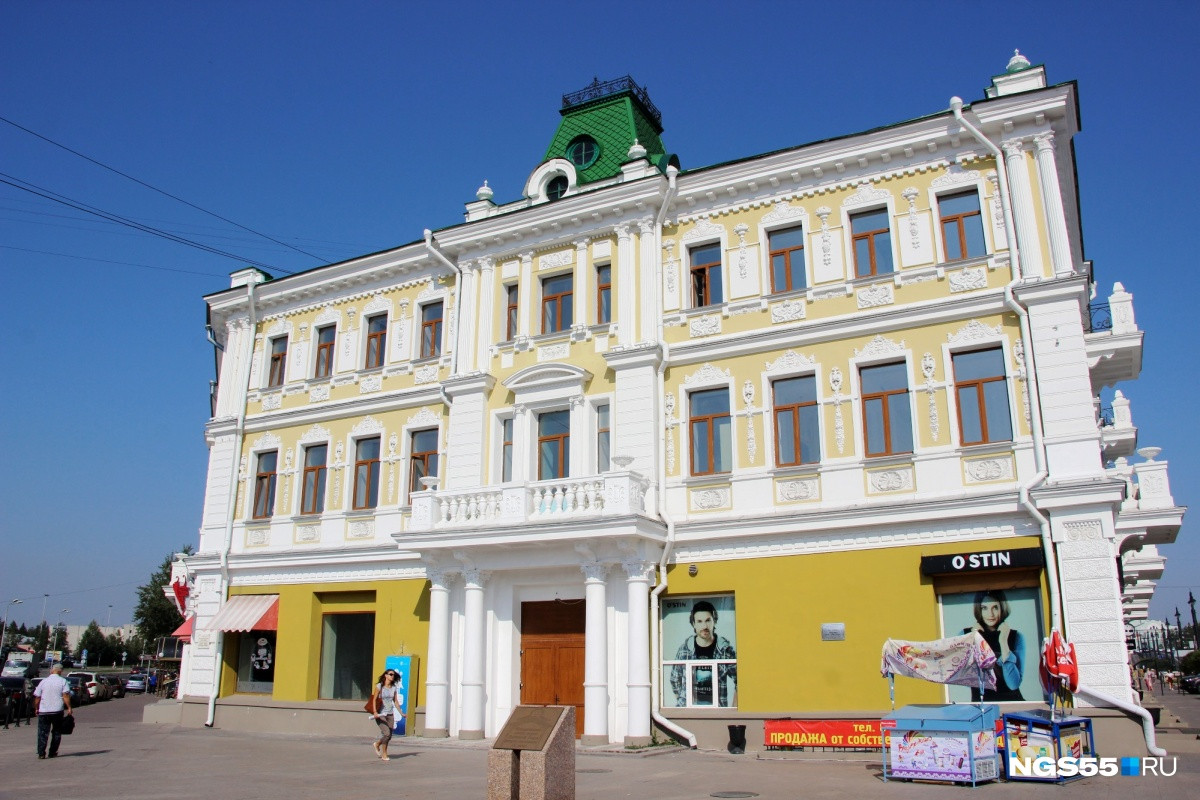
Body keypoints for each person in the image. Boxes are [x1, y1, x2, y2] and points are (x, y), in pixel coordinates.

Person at [670, 600, 737, 707]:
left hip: (716, 713)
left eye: (708, 620)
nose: (704, 626)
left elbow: (740, 680)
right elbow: (674, 680)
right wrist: (684, 703)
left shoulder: (725, 650)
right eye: (699, 621)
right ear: (693, 624)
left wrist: (734, 710)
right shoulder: (684, 650)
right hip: (689, 713)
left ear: (714, 621)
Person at [964, 590, 1025, 701]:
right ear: (979, 610)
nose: (990, 614)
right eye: (984, 608)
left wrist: (1003, 642)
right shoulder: (966, 635)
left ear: (1002, 608)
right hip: (981, 706)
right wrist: (973, 639)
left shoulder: (1016, 637)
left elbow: (1013, 684)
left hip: (1012, 705)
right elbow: (965, 679)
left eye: (995, 608)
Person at [32, 663, 72, 759]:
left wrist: (36, 708)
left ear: (52, 670)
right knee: (57, 731)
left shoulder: (44, 681)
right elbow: (65, 696)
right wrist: (69, 707)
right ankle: (52, 752)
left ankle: (41, 753)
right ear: (60, 671)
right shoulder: (63, 681)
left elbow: (37, 697)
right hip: (57, 710)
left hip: (44, 710)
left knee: (42, 732)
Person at [368, 669, 404, 761]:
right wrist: (375, 712)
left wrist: (401, 713)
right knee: (387, 733)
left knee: (389, 735)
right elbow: (374, 699)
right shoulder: (379, 686)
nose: (392, 676)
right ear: (386, 675)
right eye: (390, 674)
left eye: (393, 675)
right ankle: (384, 754)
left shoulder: (393, 688)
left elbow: (395, 702)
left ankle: (377, 744)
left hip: (390, 713)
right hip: (380, 714)